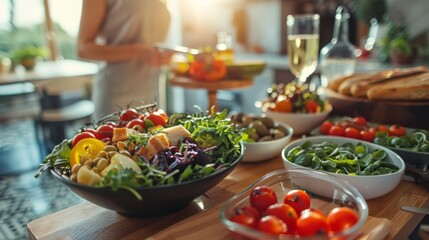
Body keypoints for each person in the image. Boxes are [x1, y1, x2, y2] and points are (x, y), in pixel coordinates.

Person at [77, 0, 171, 120]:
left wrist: (164, 55)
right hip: (117, 97)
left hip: (153, 93)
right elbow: (83, 48)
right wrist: (139, 51)